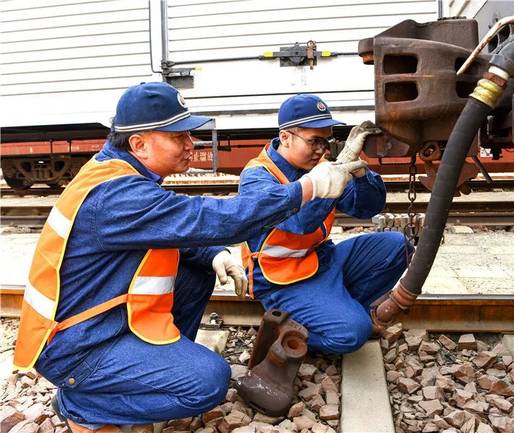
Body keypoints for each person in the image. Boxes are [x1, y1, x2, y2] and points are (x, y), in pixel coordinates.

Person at [12, 83, 366, 431]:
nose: (190, 143)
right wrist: (306, 188)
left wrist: (212, 254)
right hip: (78, 346)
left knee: (196, 268)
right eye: (178, 136)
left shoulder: (119, 172)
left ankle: (148, 371)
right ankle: (80, 404)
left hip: (99, 323)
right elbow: (214, 218)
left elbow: (170, 229)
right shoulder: (117, 195)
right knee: (208, 382)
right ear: (139, 143)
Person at [239, 94, 414, 355]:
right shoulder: (257, 178)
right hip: (283, 279)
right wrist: (338, 170)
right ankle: (286, 335)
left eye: (326, 141)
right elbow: (300, 222)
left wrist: (360, 174)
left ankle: (336, 308)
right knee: (353, 333)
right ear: (286, 137)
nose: (322, 149)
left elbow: (366, 208)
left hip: (321, 261)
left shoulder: (321, 165)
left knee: (396, 246)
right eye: (314, 141)